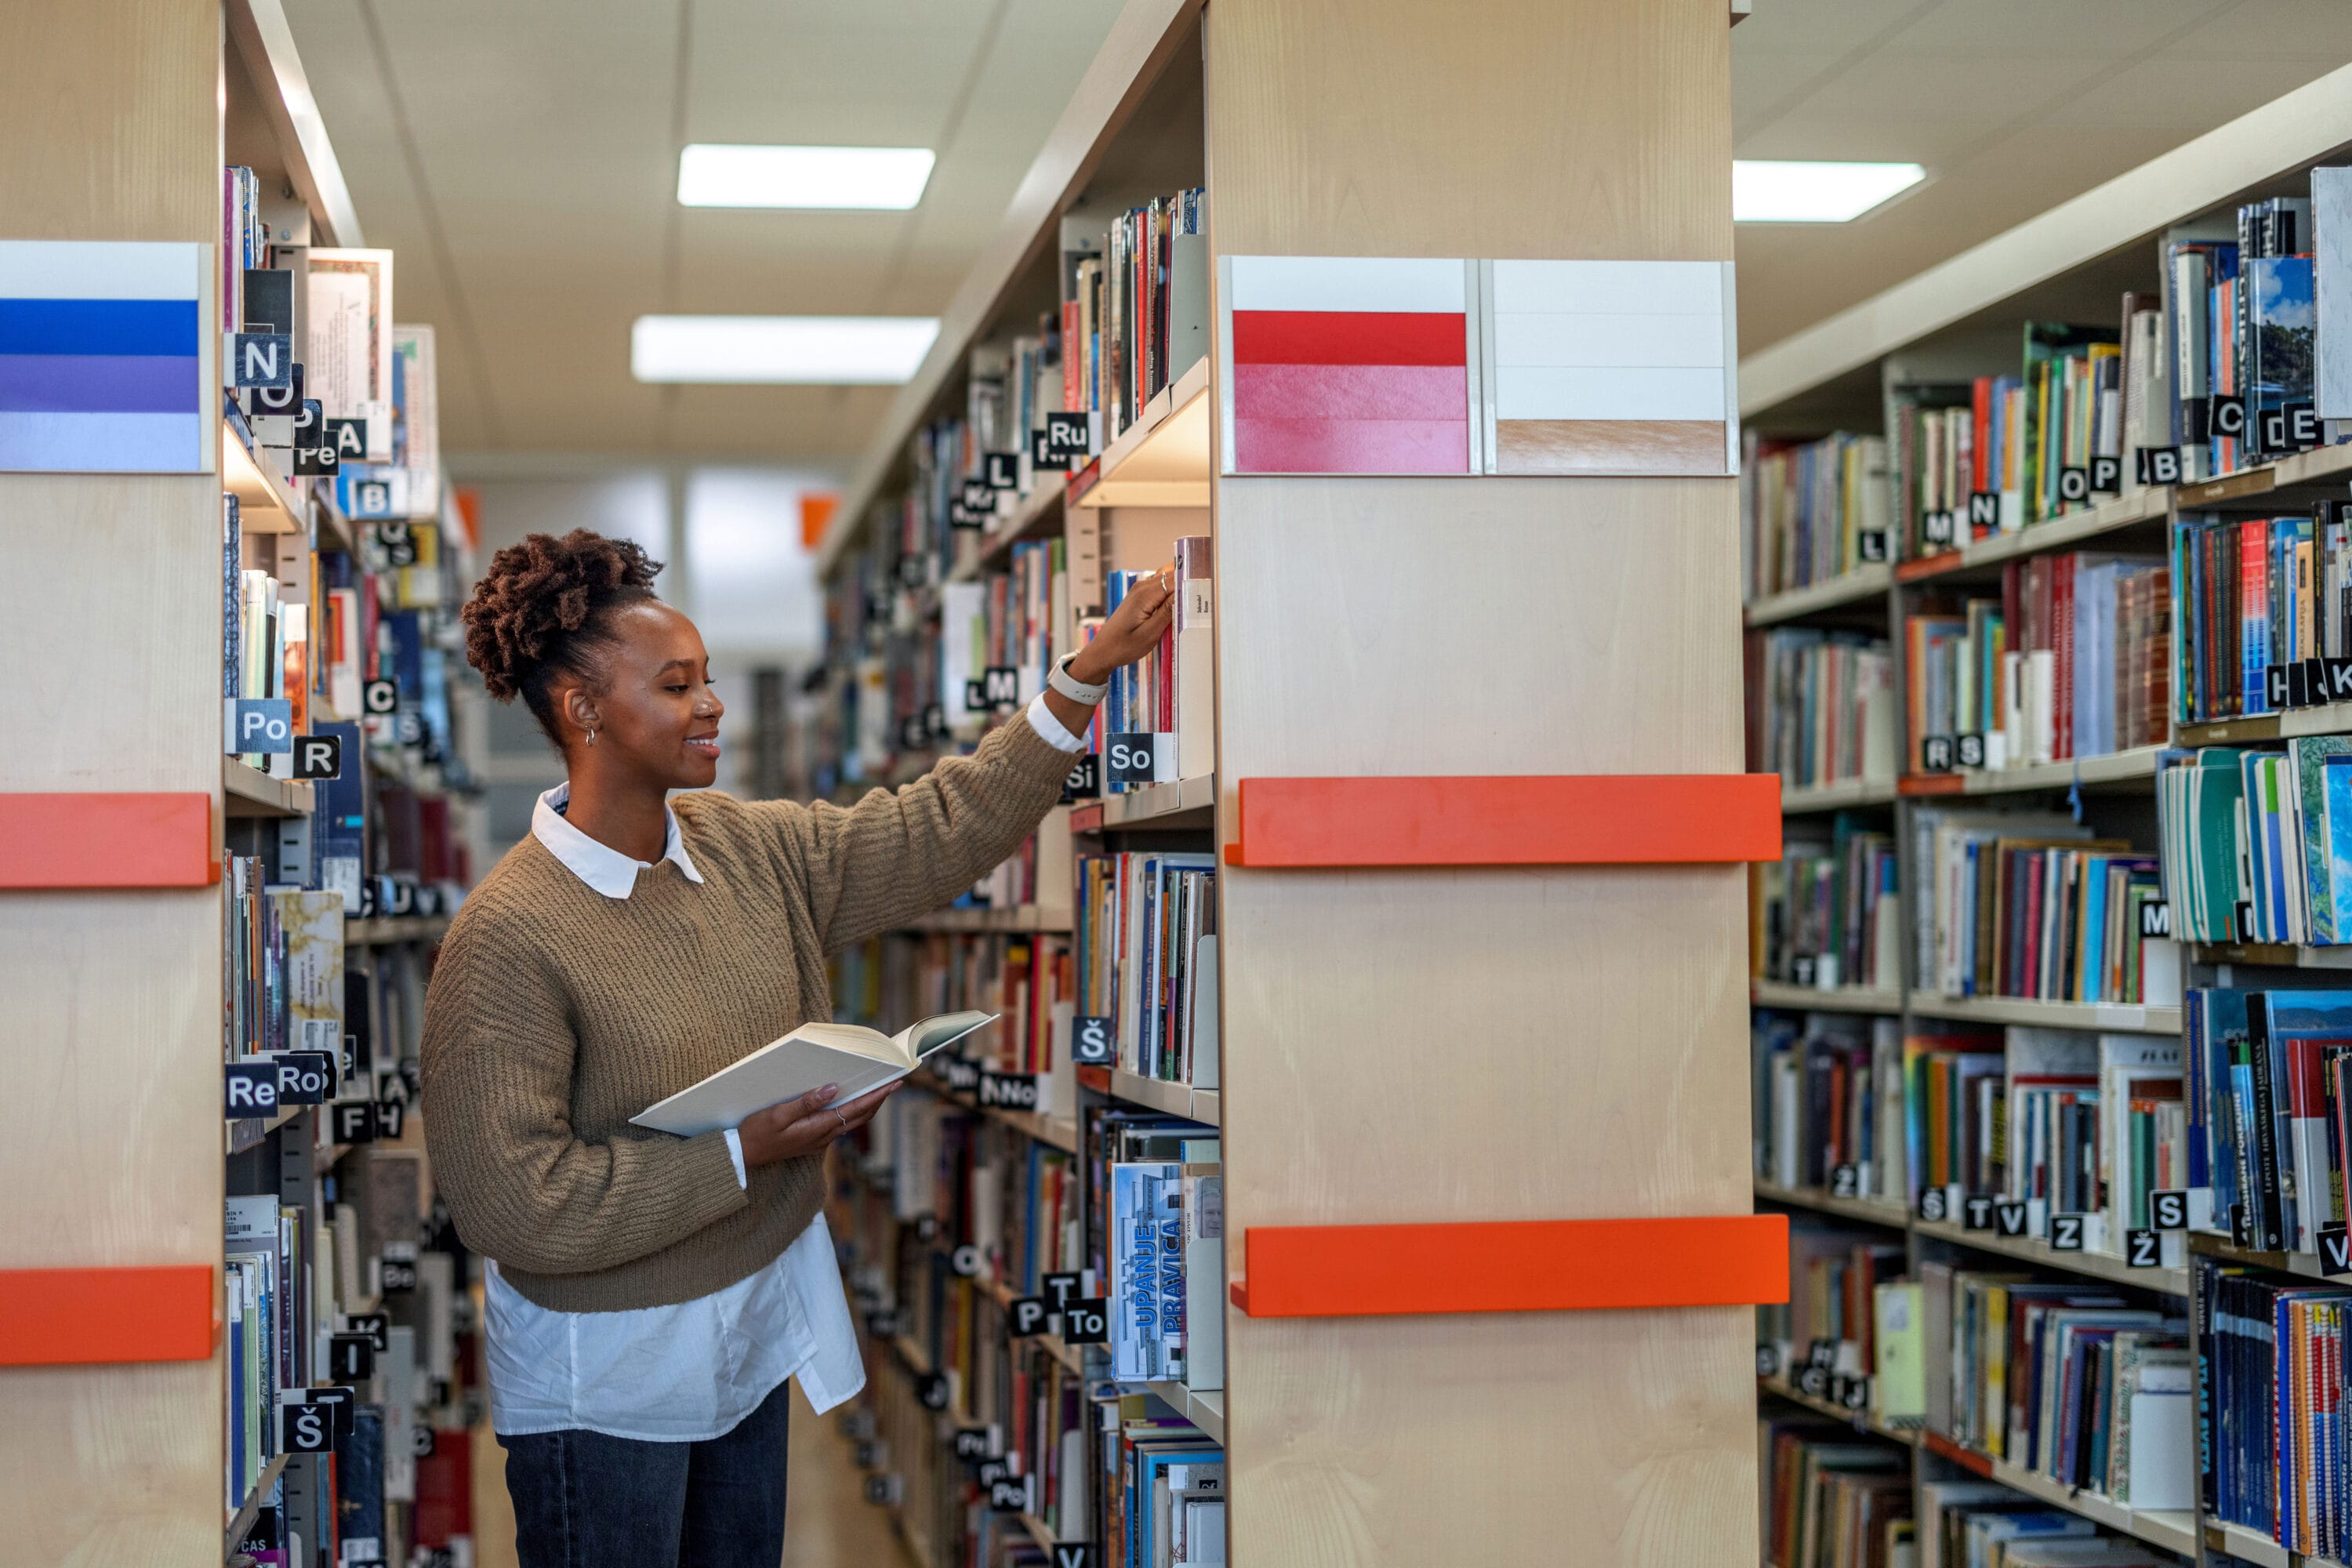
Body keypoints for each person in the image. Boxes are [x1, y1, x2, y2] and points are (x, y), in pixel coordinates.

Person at [421, 528, 1171, 1568]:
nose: (711, 704)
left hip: (748, 1330)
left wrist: (1080, 680)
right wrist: (739, 1154)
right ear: (583, 712)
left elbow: (933, 829)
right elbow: (511, 1201)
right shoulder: (508, 933)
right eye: (677, 685)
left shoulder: (746, 847)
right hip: (611, 1380)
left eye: (710, 680)